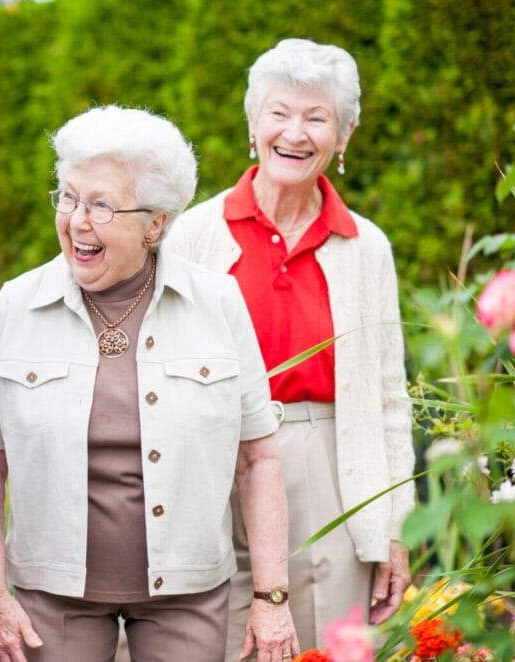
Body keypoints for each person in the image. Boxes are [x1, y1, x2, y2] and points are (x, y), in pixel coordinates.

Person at [0, 105, 300, 662]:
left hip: (187, 594)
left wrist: (271, 597)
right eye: (68, 198)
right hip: (53, 599)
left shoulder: (216, 303)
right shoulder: (17, 304)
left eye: (101, 205)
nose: (77, 221)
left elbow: (257, 459)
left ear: (156, 224)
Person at [166, 38, 416, 656]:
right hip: (213, 463)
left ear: (345, 135)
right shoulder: (194, 233)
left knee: (326, 650)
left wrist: (394, 530)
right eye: (279, 113)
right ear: (254, 124)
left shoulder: (366, 247)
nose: (295, 133)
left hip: (326, 466)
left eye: (317, 117)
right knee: (218, 643)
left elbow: (388, 399)